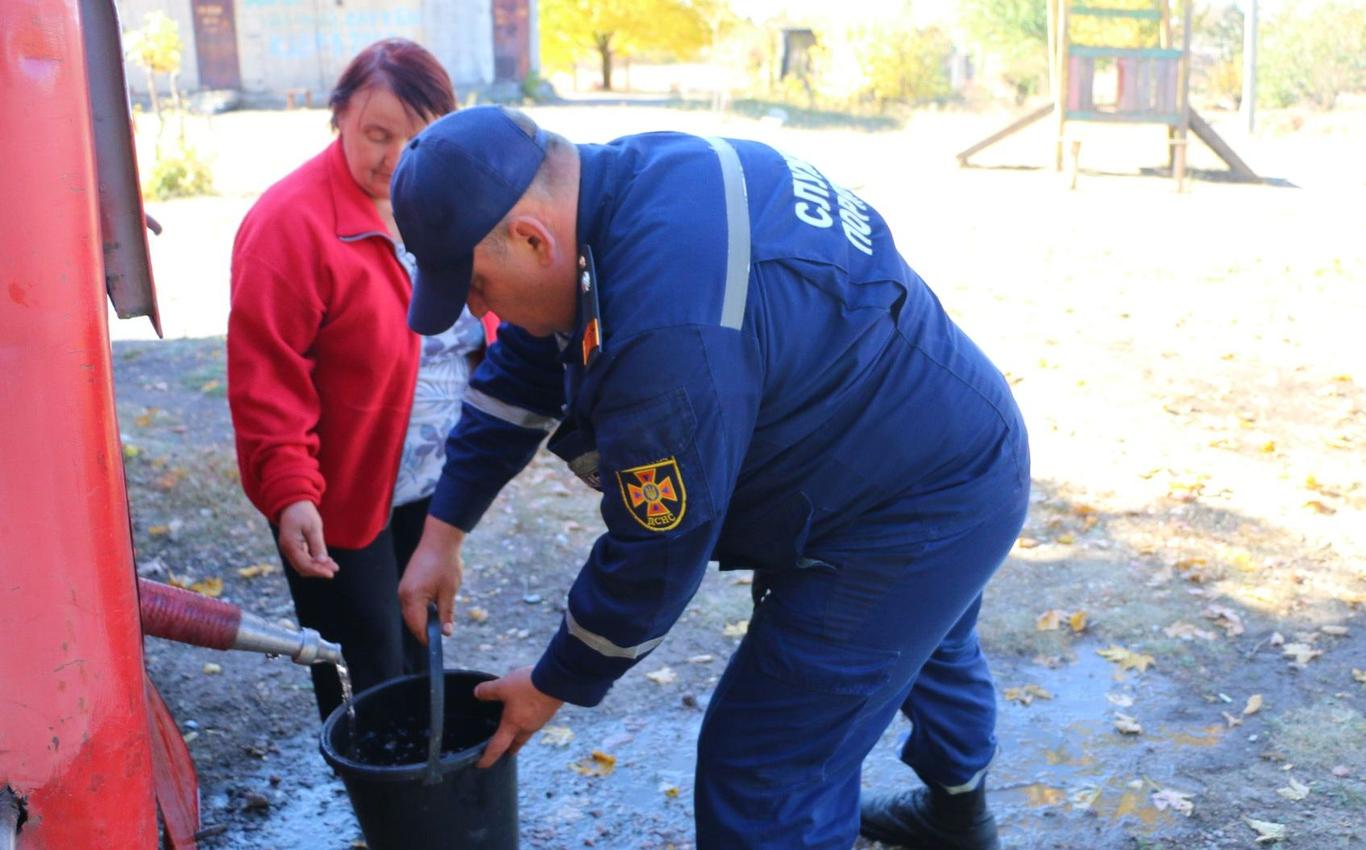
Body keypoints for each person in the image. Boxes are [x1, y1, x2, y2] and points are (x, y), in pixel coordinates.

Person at [391, 106, 1030, 850]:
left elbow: (657, 553)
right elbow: (528, 367)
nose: (477, 310)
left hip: (919, 503)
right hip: (945, 431)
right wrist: (443, 533)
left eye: (476, 285)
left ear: (533, 238)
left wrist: (553, 681)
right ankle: (958, 818)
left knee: (763, 768)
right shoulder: (616, 188)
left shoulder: (669, 336)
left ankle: (947, 813)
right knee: (927, 641)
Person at [226, 39, 496, 722]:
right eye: (378, 135)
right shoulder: (290, 224)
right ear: (339, 113)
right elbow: (266, 377)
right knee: (365, 665)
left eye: (419, 138)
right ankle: (385, 811)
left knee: (422, 640)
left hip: (433, 482)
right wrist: (291, 492)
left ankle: (433, 797)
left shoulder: (448, 203)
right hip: (340, 496)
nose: (396, 159)